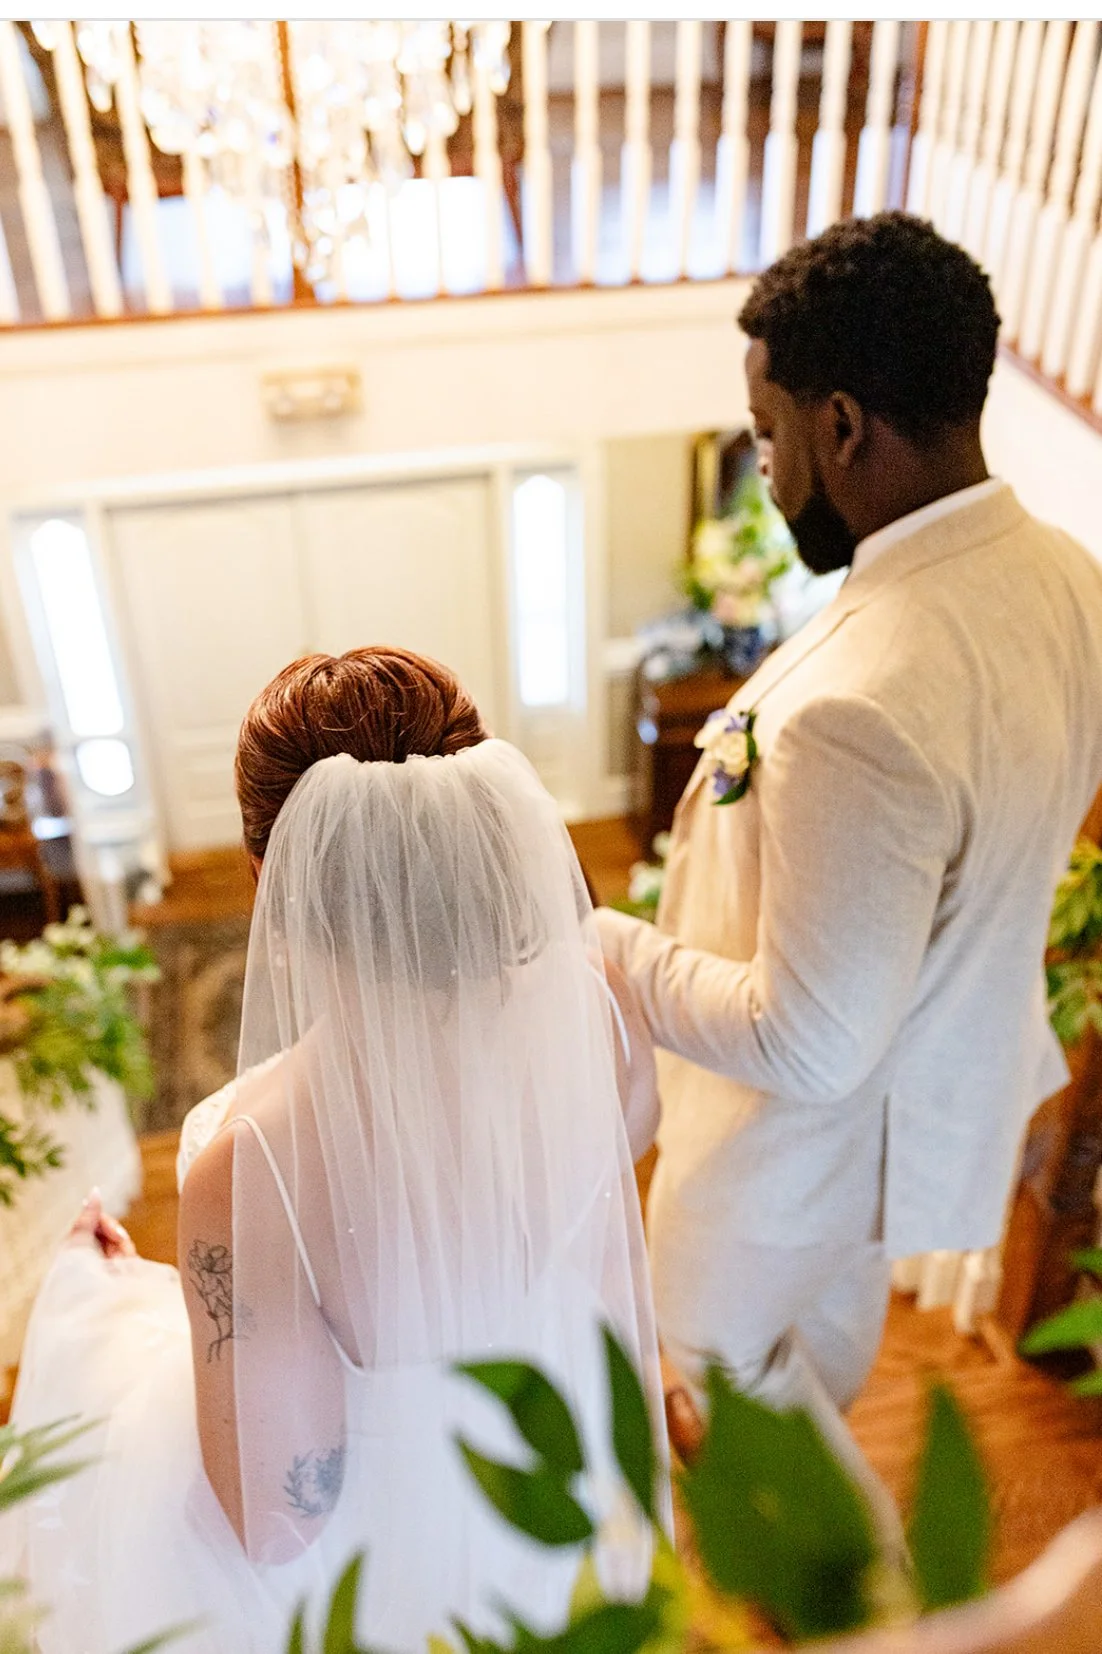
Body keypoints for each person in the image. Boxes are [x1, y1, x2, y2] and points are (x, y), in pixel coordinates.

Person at [2, 647, 669, 1654]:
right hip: (569, 1503)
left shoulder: (254, 1156)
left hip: (400, 1590)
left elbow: (278, 1517)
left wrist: (121, 1311)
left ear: (276, 878)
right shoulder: (600, 1012)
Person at [596, 212, 1102, 1509]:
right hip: (913, 1125)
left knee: (727, 1454)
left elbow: (809, 1038)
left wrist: (610, 944)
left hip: (782, 1163)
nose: (762, 471)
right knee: (806, 1407)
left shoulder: (852, 700)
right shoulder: (1065, 577)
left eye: (764, 435)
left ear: (839, 425)